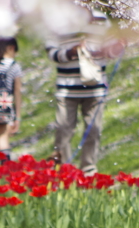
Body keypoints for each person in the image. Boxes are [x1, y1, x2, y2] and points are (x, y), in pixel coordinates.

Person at [46, 15, 124, 175]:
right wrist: (70, 52)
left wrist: (117, 47)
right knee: (63, 130)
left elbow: (110, 52)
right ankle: (64, 171)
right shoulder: (58, 16)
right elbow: (51, 53)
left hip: (95, 88)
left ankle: (88, 171)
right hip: (67, 88)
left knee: (93, 130)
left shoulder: (101, 19)